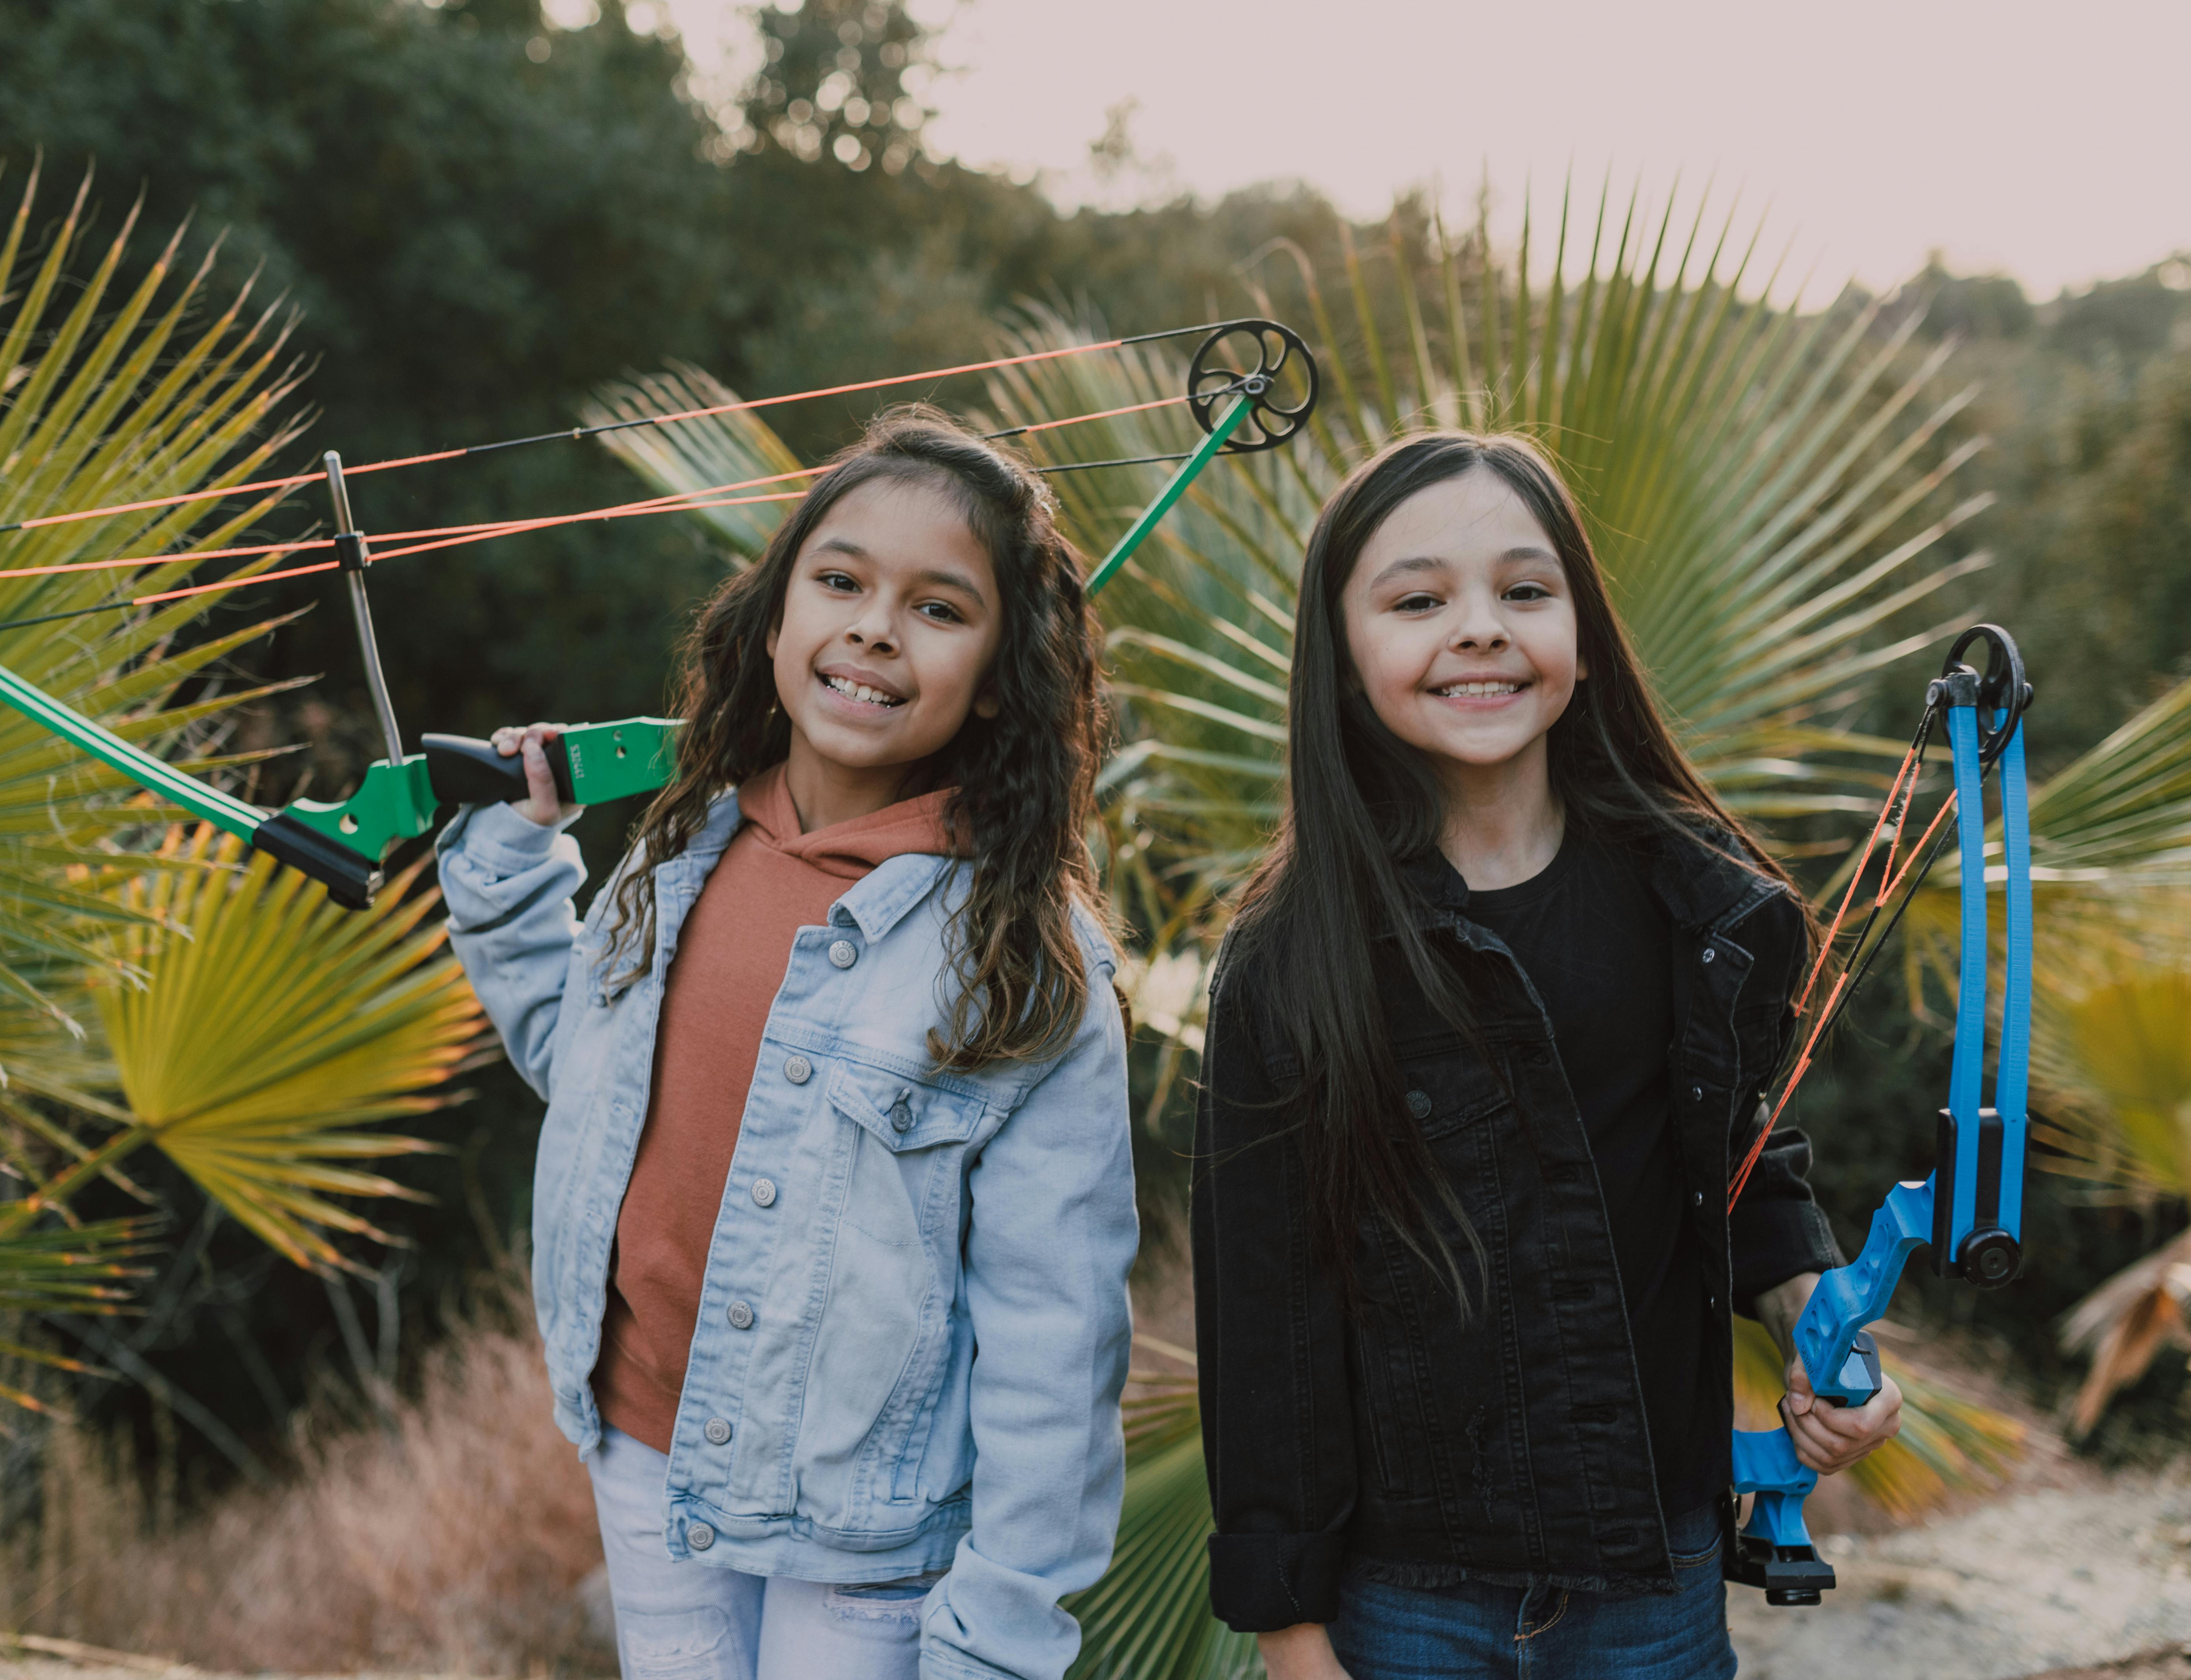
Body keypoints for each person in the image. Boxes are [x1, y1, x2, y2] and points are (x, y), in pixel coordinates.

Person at [438, 408, 1137, 1680]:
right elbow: (581, 1071)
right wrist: (507, 860)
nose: (874, 627)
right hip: (642, 1451)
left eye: (938, 608)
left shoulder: (1025, 959)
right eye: (840, 581)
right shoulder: (683, 845)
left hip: (867, 1532)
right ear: (773, 618)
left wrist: (999, 1627)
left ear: (999, 672)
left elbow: (1057, 1332)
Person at [1191, 431, 1903, 1680]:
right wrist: (1292, 1635)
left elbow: (1741, 1165)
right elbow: (1266, 1320)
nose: (1478, 629)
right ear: (1345, 659)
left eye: (1523, 591)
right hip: (1405, 1598)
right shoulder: (1288, 960)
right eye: (1418, 601)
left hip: (1657, 1579)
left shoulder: (1698, 909)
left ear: (1581, 632)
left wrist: (1823, 1328)